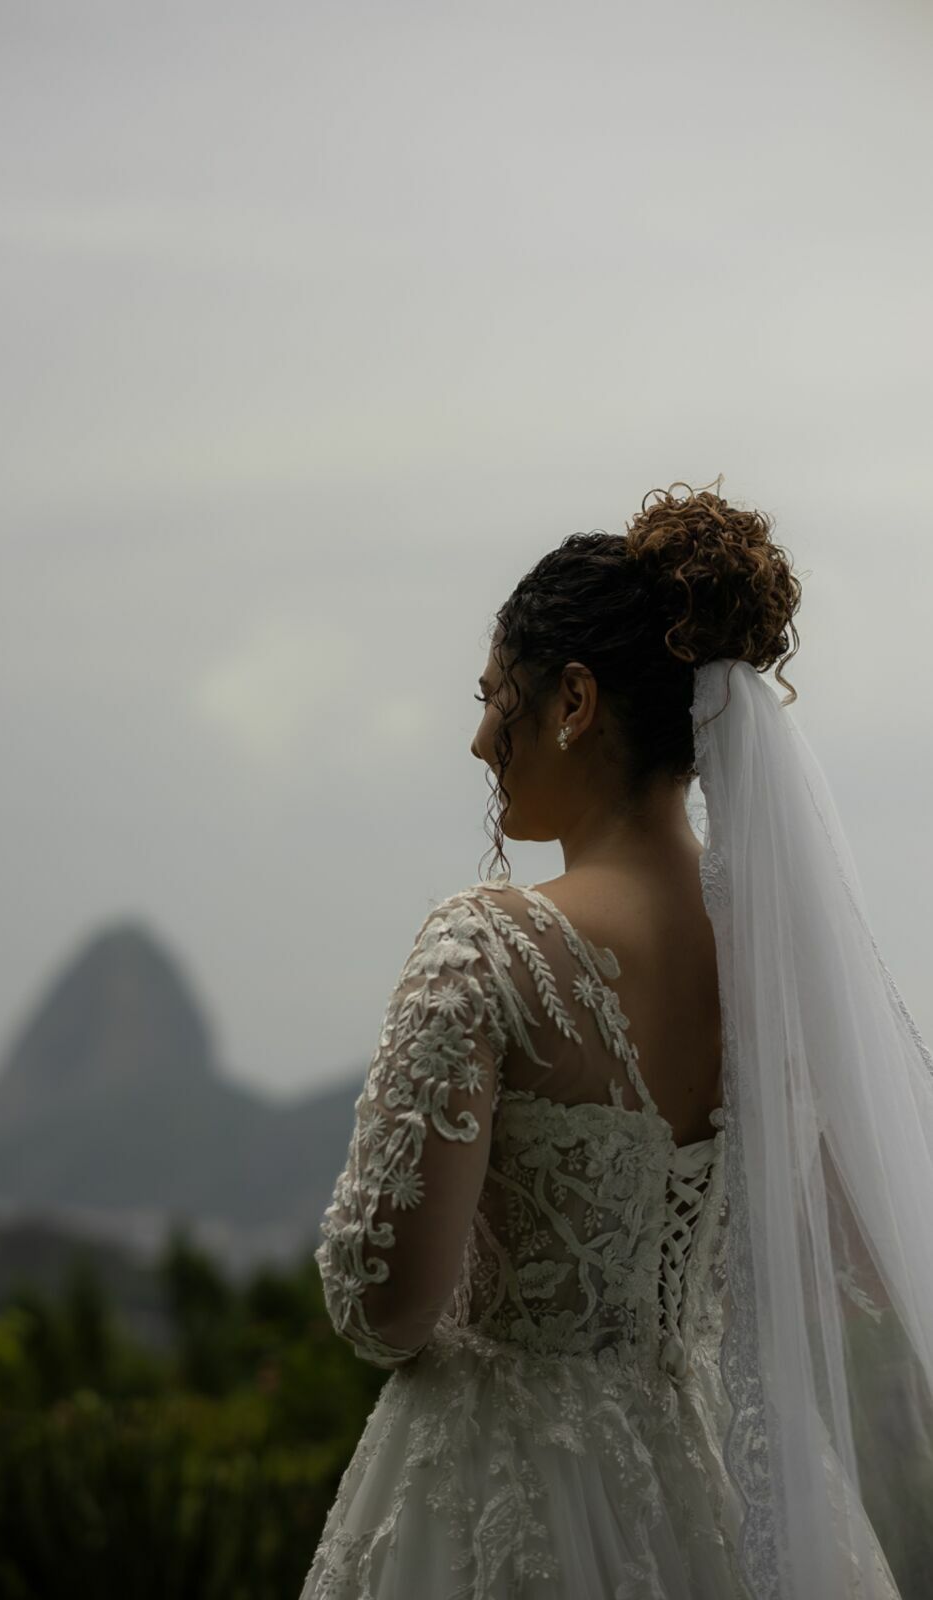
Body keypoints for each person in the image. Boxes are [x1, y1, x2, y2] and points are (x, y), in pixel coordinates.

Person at [298, 478, 933, 1599]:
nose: (477, 736)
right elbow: (852, 1263)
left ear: (574, 699)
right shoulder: (778, 965)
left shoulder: (484, 950)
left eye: (494, 694)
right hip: (725, 1481)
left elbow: (385, 1304)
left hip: (505, 1483)